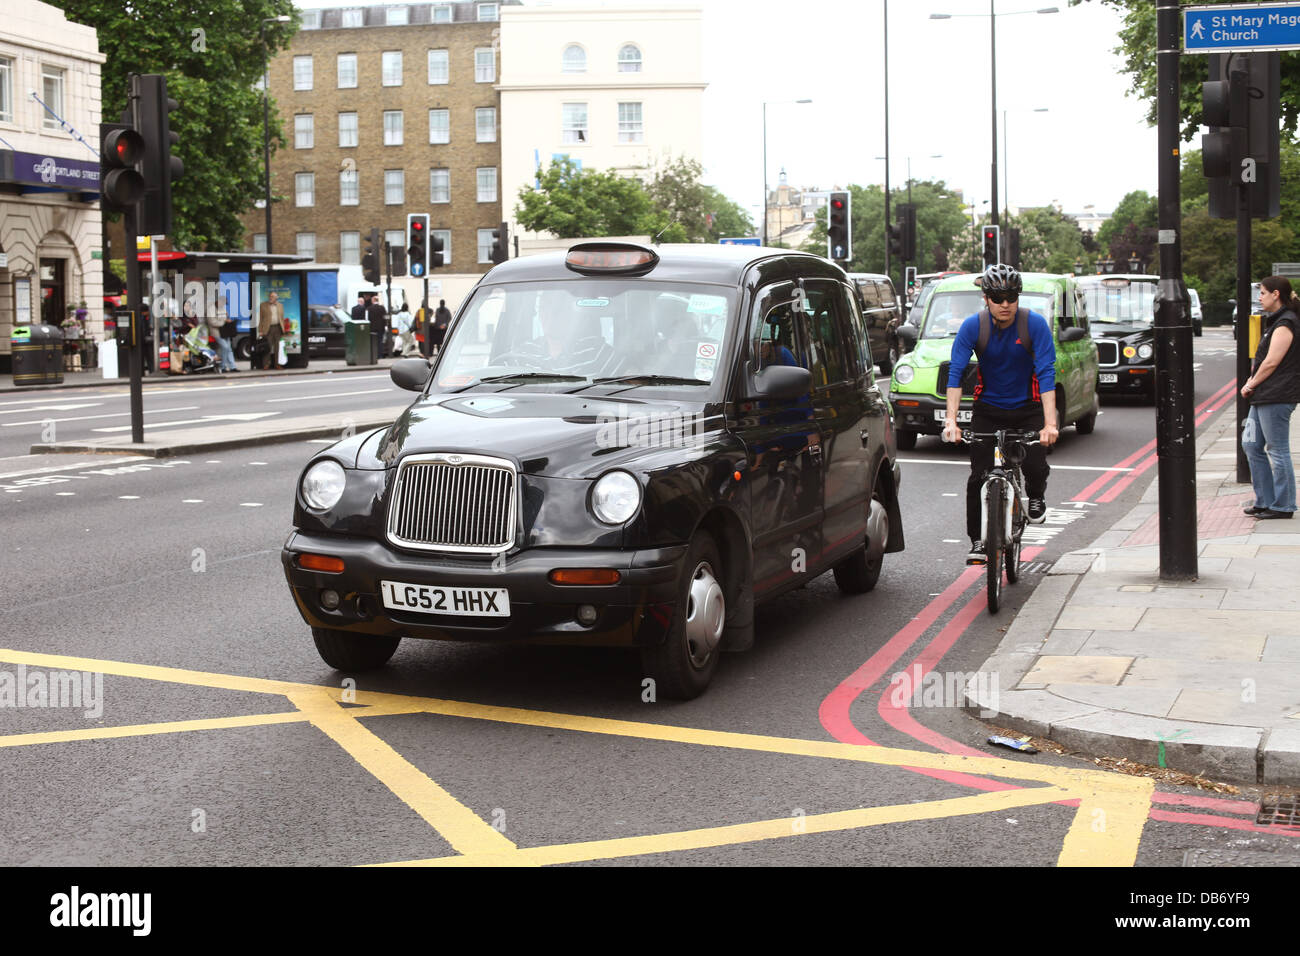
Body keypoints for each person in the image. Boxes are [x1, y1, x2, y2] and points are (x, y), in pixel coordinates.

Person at [941, 264, 1058, 565]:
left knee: (1034, 462)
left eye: (1011, 297)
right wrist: (951, 420)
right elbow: (955, 374)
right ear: (986, 297)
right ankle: (979, 541)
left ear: (1018, 297)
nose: (1005, 304)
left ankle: (1036, 494)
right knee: (978, 476)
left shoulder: (1034, 326)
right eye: (997, 297)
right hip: (988, 410)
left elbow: (1046, 374)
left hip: (1028, 408)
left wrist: (1050, 424)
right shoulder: (973, 327)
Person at [1240, 275, 1300, 519]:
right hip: (1264, 395)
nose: (1260, 297)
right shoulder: (1276, 321)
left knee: (1278, 449)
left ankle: (1284, 505)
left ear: (1276, 295)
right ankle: (1265, 500)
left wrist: (1250, 383)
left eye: (1263, 292)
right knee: (1251, 444)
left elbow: (1272, 361)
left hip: (1278, 395)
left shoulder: (1286, 323)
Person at [258, 290, 286, 369]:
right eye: (270, 296)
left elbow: (282, 318)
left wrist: (284, 329)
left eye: (273, 296)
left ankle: (277, 364)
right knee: (268, 347)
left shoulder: (280, 305)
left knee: (278, 347)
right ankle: (266, 364)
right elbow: (261, 318)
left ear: (276, 298)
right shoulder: (263, 305)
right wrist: (260, 330)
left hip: (278, 328)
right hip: (268, 328)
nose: (271, 298)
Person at [367, 294, 389, 360]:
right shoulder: (382, 308)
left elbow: (367, 318)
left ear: (373, 300)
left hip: (372, 328)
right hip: (381, 328)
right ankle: (380, 355)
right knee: (380, 341)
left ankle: (374, 355)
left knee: (373, 342)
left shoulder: (369, 308)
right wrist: (386, 325)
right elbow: (386, 317)